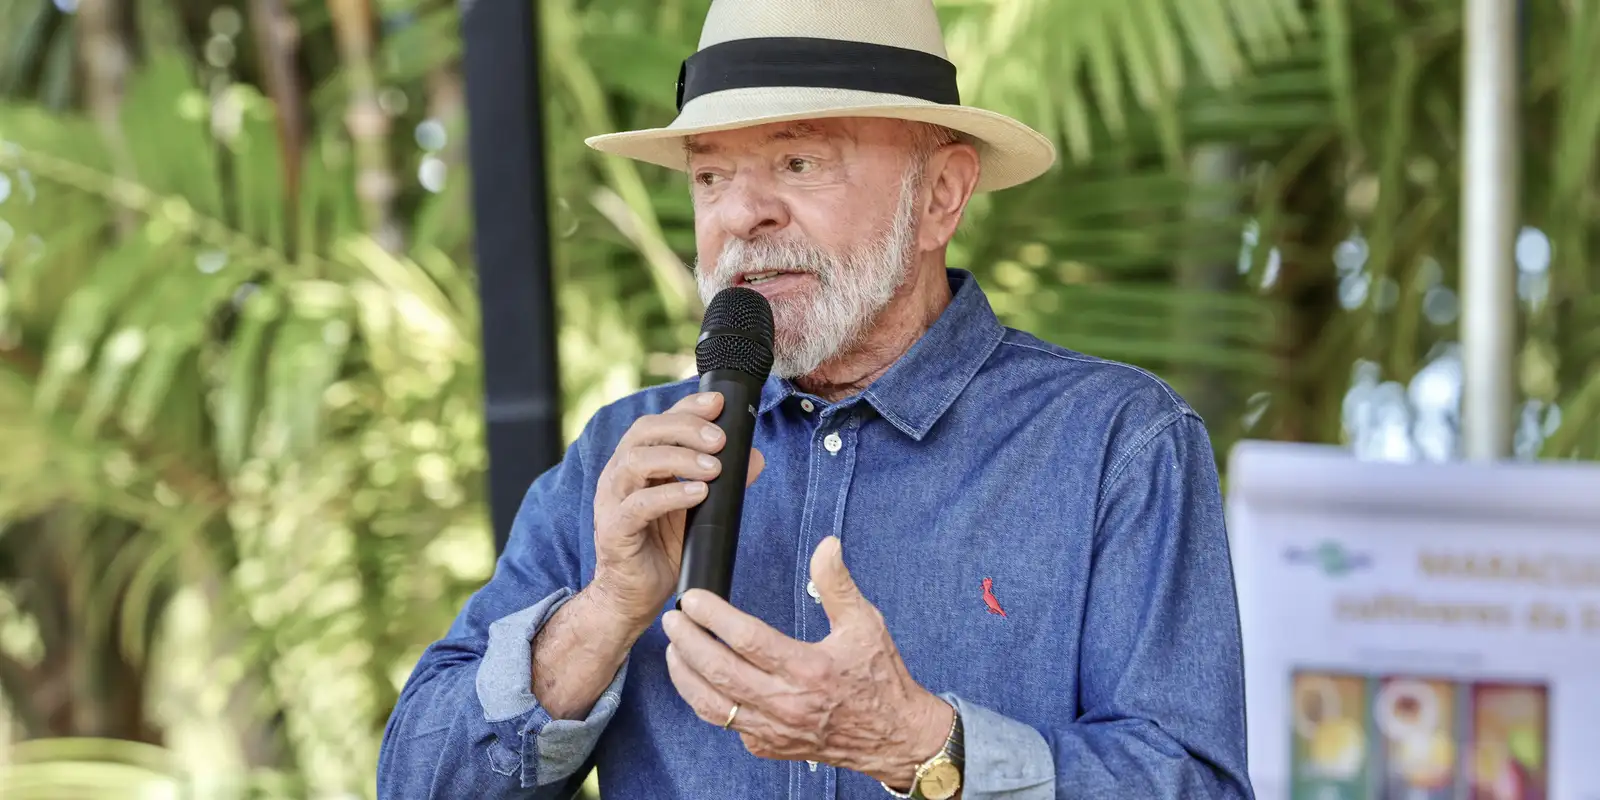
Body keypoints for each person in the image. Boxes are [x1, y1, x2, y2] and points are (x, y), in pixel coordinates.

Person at [377, 0, 1253, 797]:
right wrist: (605, 610)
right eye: (710, 177)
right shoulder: (625, 455)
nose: (740, 216)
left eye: (798, 161)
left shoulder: (1114, 444)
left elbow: (1195, 787)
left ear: (940, 195)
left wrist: (922, 746)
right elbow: (420, 785)